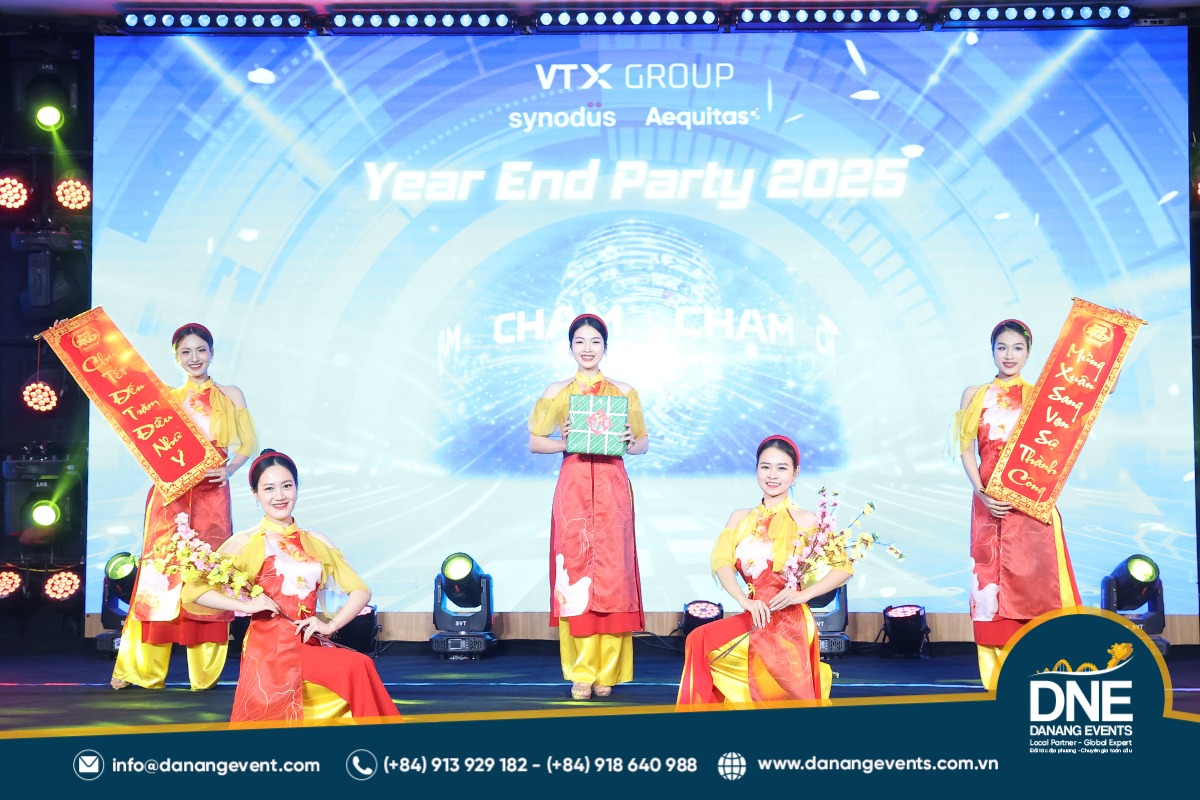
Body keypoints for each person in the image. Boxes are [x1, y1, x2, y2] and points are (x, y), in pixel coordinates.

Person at [181, 450, 400, 724]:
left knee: (360, 664)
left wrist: (330, 626)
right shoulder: (246, 541)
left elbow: (361, 591)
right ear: (255, 494)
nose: (279, 496)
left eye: (287, 486)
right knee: (357, 665)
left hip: (307, 641)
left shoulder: (316, 541)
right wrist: (246, 605)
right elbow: (193, 591)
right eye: (268, 488)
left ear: (297, 488)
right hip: (269, 646)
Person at [111, 323, 257, 691]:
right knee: (161, 574)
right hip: (169, 493)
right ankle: (140, 669)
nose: (194, 358)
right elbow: (115, 386)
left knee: (208, 571)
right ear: (176, 358)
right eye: (185, 352)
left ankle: (204, 674)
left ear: (212, 353)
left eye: (200, 350)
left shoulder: (230, 394)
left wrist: (230, 469)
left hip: (211, 493)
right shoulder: (166, 398)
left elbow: (247, 442)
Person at [951, 319, 1081, 690]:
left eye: (1017, 348)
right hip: (988, 505)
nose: (1009, 355)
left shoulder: (1041, 395)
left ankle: (1045, 675)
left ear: (1028, 352)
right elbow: (965, 448)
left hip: (1031, 508)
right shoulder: (974, 394)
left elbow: (1090, 396)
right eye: (1002, 347)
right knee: (990, 590)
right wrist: (981, 492)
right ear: (992, 350)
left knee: (1039, 589)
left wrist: (1112, 340)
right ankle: (999, 683)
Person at [677, 435, 852, 708]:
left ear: (795, 473)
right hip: (755, 612)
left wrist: (802, 596)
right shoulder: (740, 518)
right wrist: (743, 599)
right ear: (757, 469)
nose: (772, 475)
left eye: (782, 468)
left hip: (789, 619)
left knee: (773, 678)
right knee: (699, 639)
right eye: (765, 467)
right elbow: (722, 562)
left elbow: (843, 569)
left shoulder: (807, 519)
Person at [528, 313, 649, 700]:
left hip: (613, 489)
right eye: (579, 341)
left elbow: (642, 444)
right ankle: (580, 672)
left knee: (614, 577)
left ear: (605, 347)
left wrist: (630, 440)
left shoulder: (624, 392)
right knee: (575, 575)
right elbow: (535, 442)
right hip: (574, 488)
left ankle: (607, 672)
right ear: (570, 347)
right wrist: (564, 441)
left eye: (595, 341)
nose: (587, 348)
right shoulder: (557, 392)